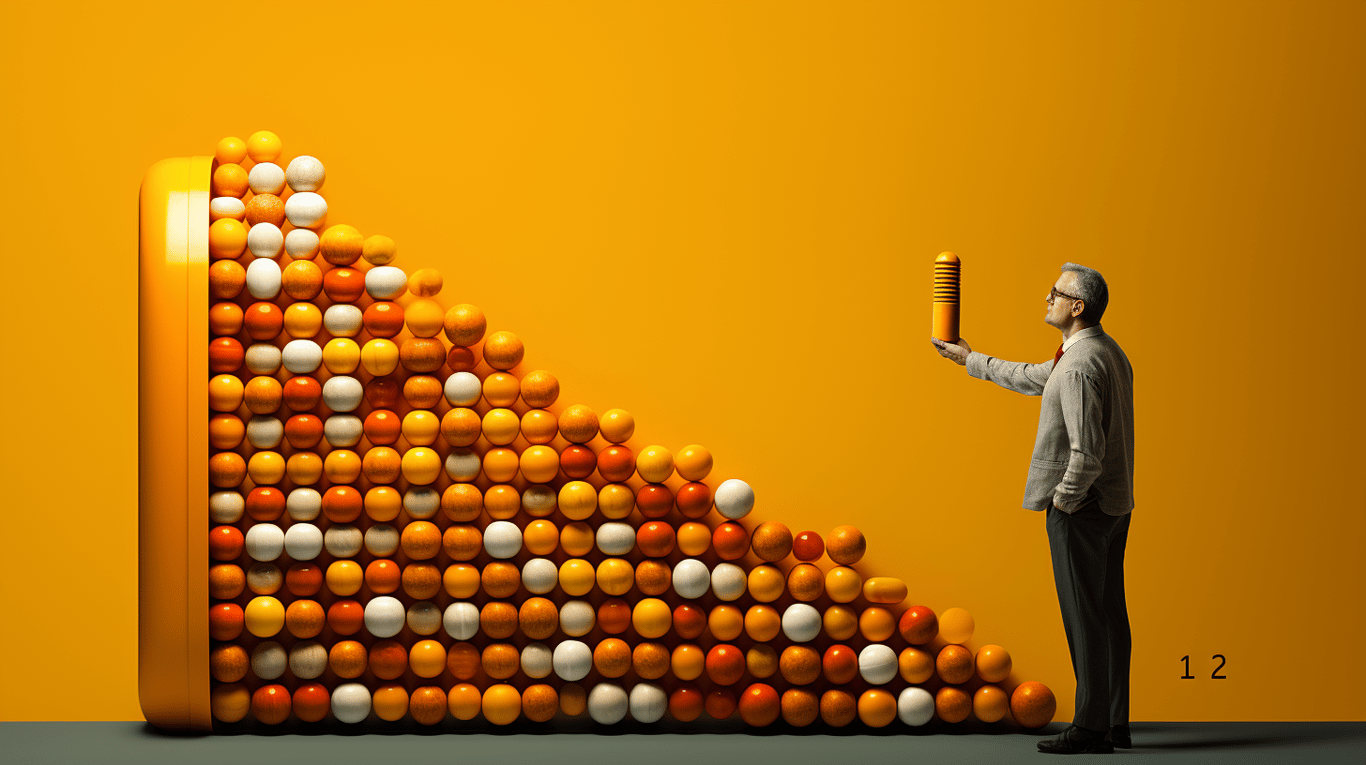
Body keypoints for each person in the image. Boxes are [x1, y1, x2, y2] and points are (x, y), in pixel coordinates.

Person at [931, 262, 1134, 755]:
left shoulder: (1080, 364)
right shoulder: (1100, 351)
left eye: (1055, 293)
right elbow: (1034, 377)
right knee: (1109, 614)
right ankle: (1113, 721)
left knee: (1084, 617)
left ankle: (1090, 728)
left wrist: (1063, 501)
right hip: (1114, 505)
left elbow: (1087, 452)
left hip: (1083, 509)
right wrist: (971, 359)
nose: (1048, 298)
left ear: (1077, 306)